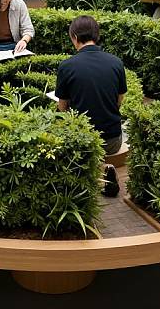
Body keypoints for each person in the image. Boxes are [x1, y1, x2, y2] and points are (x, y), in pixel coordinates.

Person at [55, 15, 127, 197]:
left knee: (66, 136)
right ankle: (104, 169)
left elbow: (62, 108)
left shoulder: (66, 66)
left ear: (75, 38)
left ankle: (94, 173)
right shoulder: (116, 63)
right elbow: (119, 100)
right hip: (113, 139)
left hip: (83, 138)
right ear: (97, 36)